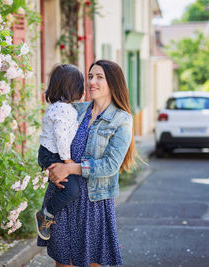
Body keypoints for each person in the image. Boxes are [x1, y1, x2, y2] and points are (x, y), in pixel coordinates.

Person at [37, 59, 137, 267]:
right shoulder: (75, 109)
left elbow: (110, 165)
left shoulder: (121, 120)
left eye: (99, 77)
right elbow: (52, 140)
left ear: (113, 83)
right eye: (90, 76)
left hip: (94, 202)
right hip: (63, 196)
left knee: (92, 261)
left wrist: (69, 167)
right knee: (64, 262)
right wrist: (51, 169)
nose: (92, 82)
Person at [35, 64, 85, 241]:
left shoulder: (59, 107)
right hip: (54, 154)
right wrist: (68, 160)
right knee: (71, 190)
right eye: (80, 85)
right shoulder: (64, 109)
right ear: (72, 87)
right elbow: (61, 137)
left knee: (65, 187)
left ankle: (47, 214)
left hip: (48, 153)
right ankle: (46, 214)